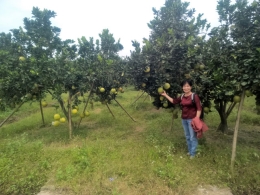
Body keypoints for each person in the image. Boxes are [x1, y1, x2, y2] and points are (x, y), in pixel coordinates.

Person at [161, 79, 202, 159]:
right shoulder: (182, 96)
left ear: (191, 87)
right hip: (184, 119)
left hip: (192, 119)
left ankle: (193, 153)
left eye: (187, 86)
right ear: (182, 87)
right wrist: (165, 95)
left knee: (192, 137)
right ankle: (190, 151)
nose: (186, 88)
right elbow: (174, 101)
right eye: (184, 86)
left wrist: (196, 119)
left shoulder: (194, 96)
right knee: (187, 136)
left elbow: (199, 109)